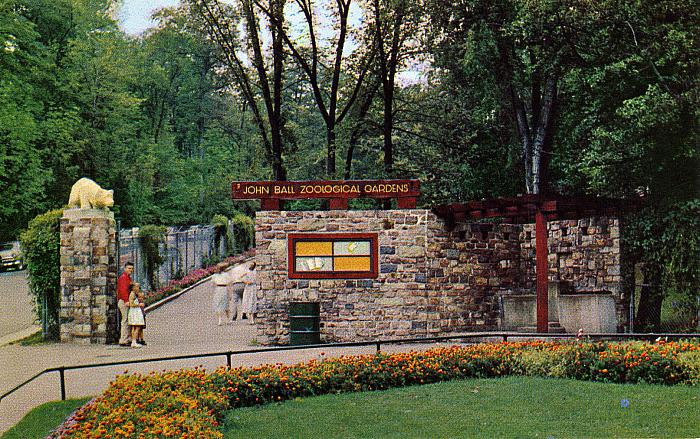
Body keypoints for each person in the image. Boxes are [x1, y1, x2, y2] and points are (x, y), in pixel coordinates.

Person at [117, 262, 134, 346]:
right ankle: (123, 339)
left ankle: (127, 338)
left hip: (126, 301)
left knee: (127, 319)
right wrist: (126, 300)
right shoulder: (124, 278)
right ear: (125, 269)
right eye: (129, 268)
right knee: (125, 320)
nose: (130, 270)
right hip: (124, 301)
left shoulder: (128, 278)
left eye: (131, 268)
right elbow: (123, 290)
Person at [127, 282, 146, 348]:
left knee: (134, 327)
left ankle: (134, 341)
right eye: (137, 286)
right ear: (133, 287)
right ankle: (134, 341)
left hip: (136, 311)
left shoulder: (135, 294)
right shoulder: (132, 294)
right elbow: (131, 304)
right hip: (135, 311)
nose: (138, 288)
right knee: (137, 327)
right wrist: (139, 305)